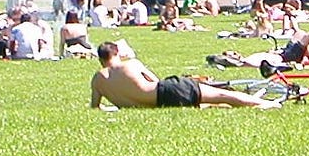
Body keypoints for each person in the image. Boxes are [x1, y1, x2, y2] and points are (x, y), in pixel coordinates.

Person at [89, 40, 279, 109]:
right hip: (166, 92)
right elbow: (156, 81)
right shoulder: (131, 64)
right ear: (116, 53)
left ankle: (253, 104)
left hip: (157, 104)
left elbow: (96, 107)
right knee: (223, 94)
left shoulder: (97, 80)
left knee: (210, 102)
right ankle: (266, 103)